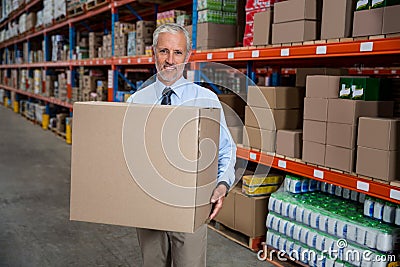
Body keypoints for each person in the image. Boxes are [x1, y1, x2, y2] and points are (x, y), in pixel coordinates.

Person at [126, 23, 236, 267]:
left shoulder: (205, 99)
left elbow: (226, 149)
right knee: (152, 262)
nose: (170, 60)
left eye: (177, 53)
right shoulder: (136, 101)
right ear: (152, 53)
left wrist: (222, 183)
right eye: (164, 51)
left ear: (187, 56)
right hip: (148, 203)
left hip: (191, 203)